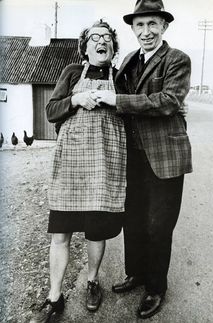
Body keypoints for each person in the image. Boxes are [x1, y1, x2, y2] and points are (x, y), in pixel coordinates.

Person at [94, 0, 192, 319]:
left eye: (152, 24)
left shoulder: (177, 59)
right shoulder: (128, 60)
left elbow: (167, 102)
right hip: (132, 156)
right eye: (139, 25)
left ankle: (155, 287)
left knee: (158, 226)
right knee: (133, 220)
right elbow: (112, 89)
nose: (146, 32)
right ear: (133, 28)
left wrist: (119, 100)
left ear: (164, 26)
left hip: (165, 156)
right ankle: (136, 274)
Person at [29, 19, 126, 322]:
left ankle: (92, 281)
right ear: (84, 48)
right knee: (60, 234)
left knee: (96, 234)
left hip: (104, 168)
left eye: (107, 38)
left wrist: (115, 101)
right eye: (95, 37)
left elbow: (133, 112)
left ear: (113, 47)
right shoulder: (72, 72)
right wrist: (75, 99)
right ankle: (54, 297)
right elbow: (51, 110)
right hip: (71, 166)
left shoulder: (121, 78)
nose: (102, 41)